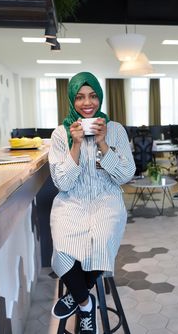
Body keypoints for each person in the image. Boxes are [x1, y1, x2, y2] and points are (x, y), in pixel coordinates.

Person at [48, 71, 136, 333]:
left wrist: (103, 144)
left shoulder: (116, 130)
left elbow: (125, 175)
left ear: (100, 97)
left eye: (93, 95)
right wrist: (75, 145)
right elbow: (62, 183)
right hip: (71, 202)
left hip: (106, 199)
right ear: (71, 100)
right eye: (80, 97)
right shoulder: (60, 135)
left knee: (102, 241)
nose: (88, 103)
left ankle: (75, 295)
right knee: (62, 252)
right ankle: (86, 303)